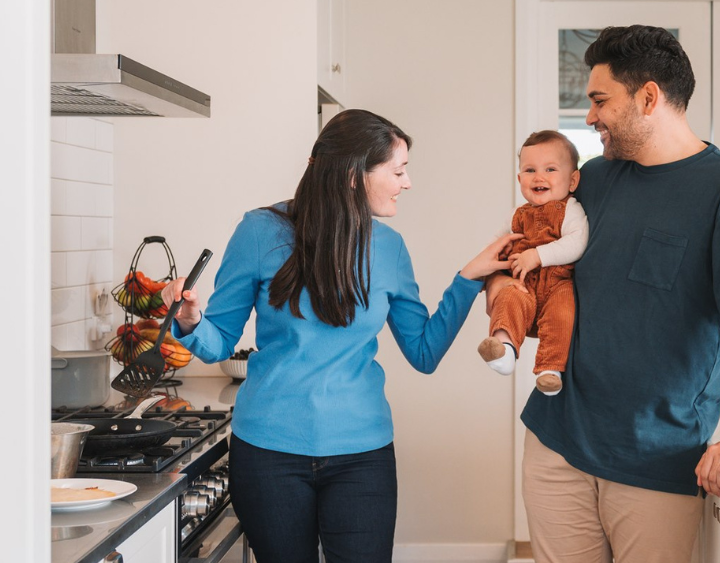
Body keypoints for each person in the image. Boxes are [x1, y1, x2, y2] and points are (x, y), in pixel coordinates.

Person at [161, 109, 520, 563]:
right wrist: (190, 319)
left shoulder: (389, 247)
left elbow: (424, 352)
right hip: (268, 455)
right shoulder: (260, 231)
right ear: (354, 175)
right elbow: (216, 343)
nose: (406, 183)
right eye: (398, 171)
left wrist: (468, 278)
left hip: (362, 456)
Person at [488, 25, 720, 563]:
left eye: (600, 100)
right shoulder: (594, 180)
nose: (589, 116)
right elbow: (535, 258)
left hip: (658, 461)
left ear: (648, 97)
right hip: (557, 441)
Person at [478, 130, 588, 396]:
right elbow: (497, 245)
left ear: (572, 180)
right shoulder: (516, 215)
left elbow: (578, 241)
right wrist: (487, 272)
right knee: (508, 300)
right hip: (522, 284)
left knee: (563, 314)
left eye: (550, 169)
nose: (539, 177)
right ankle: (504, 349)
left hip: (557, 285)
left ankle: (550, 370)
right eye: (530, 170)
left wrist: (537, 255)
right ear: (519, 179)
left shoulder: (570, 209)